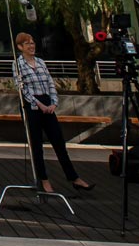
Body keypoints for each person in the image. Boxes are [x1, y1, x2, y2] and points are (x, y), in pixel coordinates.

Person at [11, 32, 92, 195]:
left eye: (32, 43)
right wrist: (39, 104)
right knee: (36, 145)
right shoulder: (18, 64)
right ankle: (43, 179)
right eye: (27, 44)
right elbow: (21, 87)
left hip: (47, 103)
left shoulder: (40, 62)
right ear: (20, 47)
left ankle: (74, 177)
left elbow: (50, 82)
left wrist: (53, 102)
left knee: (59, 142)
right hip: (31, 106)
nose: (31, 46)